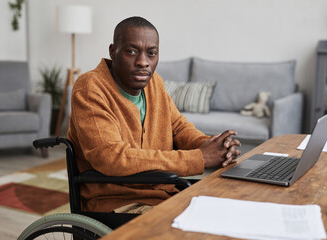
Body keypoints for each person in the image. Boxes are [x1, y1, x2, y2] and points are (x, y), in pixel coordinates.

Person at [67, 16, 241, 214]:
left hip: (163, 192)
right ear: (113, 52)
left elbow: (179, 127)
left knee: (229, 208)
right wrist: (199, 158)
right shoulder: (90, 88)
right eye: (132, 51)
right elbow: (111, 157)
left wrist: (212, 146)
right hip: (116, 202)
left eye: (151, 53)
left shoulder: (154, 83)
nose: (143, 62)